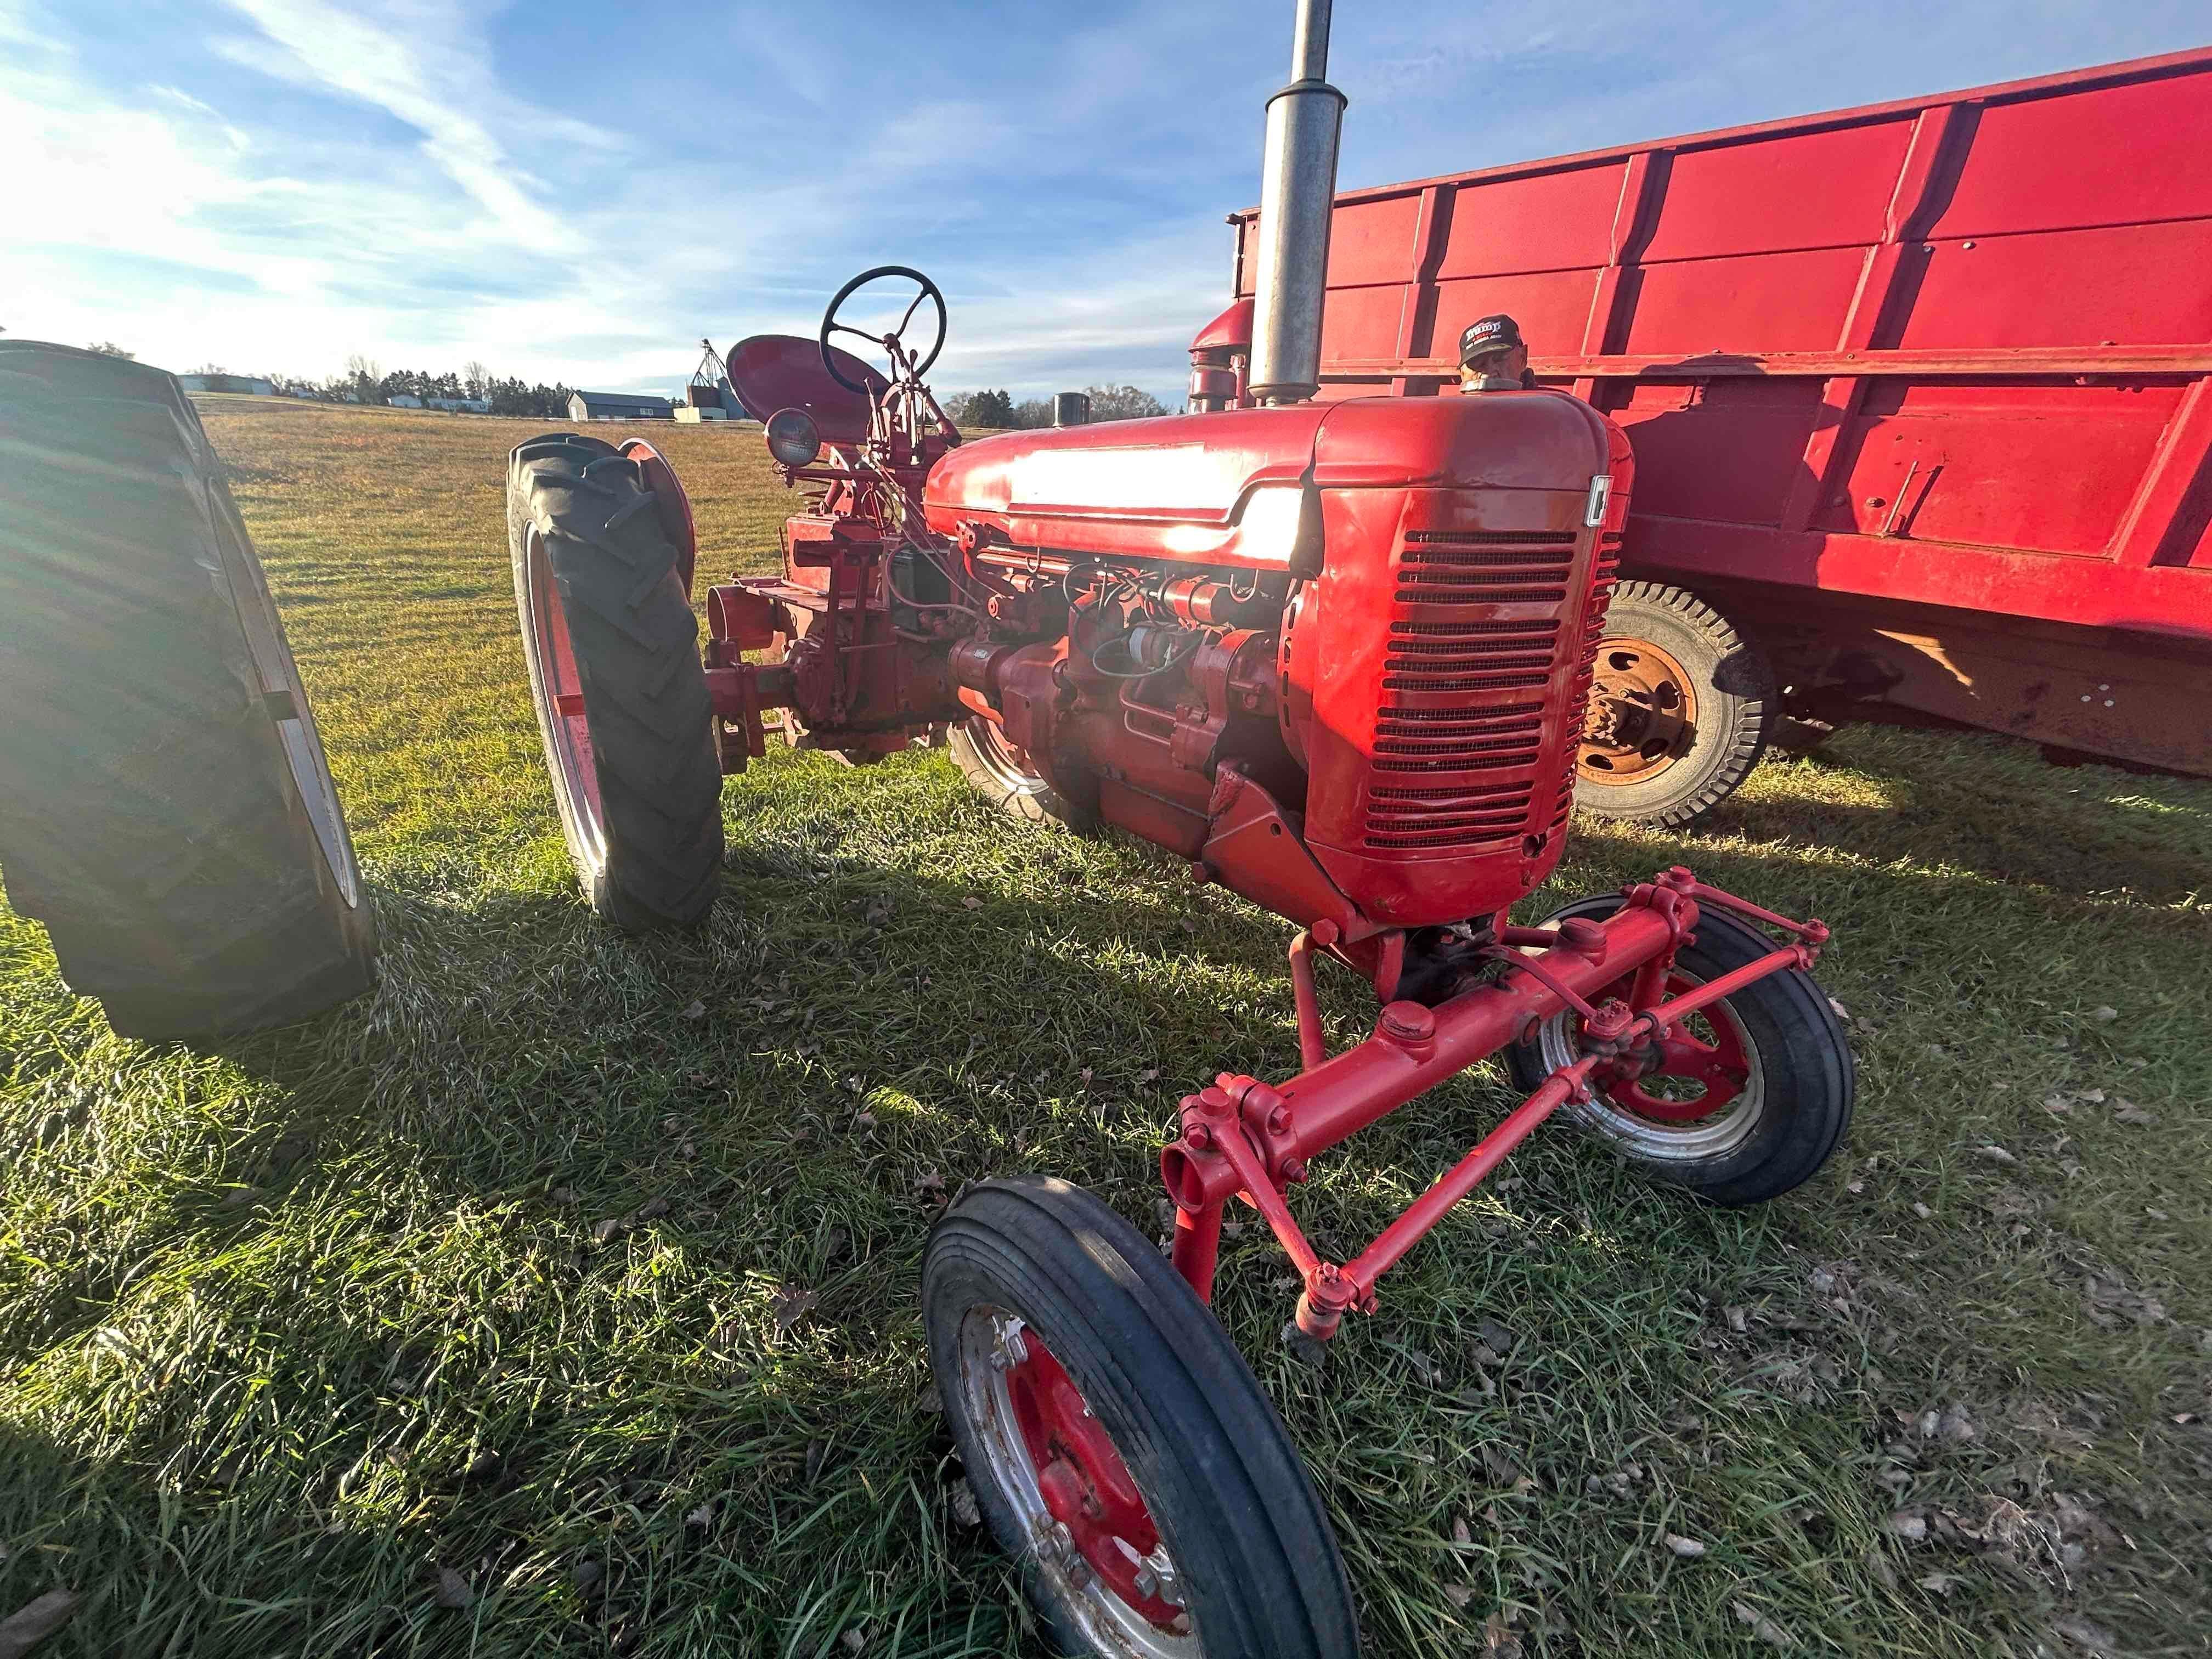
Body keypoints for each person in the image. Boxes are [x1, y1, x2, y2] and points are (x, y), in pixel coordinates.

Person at [1458, 313, 1537, 392]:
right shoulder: (1450, 405)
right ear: (1462, 374)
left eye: (1499, 360)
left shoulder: (1546, 403)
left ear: (1523, 359)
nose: (1487, 376)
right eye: (1478, 365)